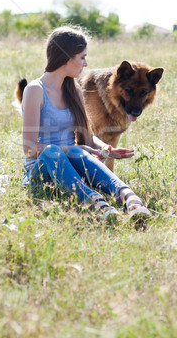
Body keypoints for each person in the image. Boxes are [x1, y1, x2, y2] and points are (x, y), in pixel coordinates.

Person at [19, 26, 151, 222]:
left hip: (70, 169)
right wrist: (70, 148)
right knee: (56, 151)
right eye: (82, 57)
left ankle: (132, 200)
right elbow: (29, 149)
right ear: (65, 57)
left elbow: (88, 138)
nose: (86, 63)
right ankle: (97, 204)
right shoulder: (35, 90)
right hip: (39, 173)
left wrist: (107, 149)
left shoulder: (74, 89)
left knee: (75, 152)